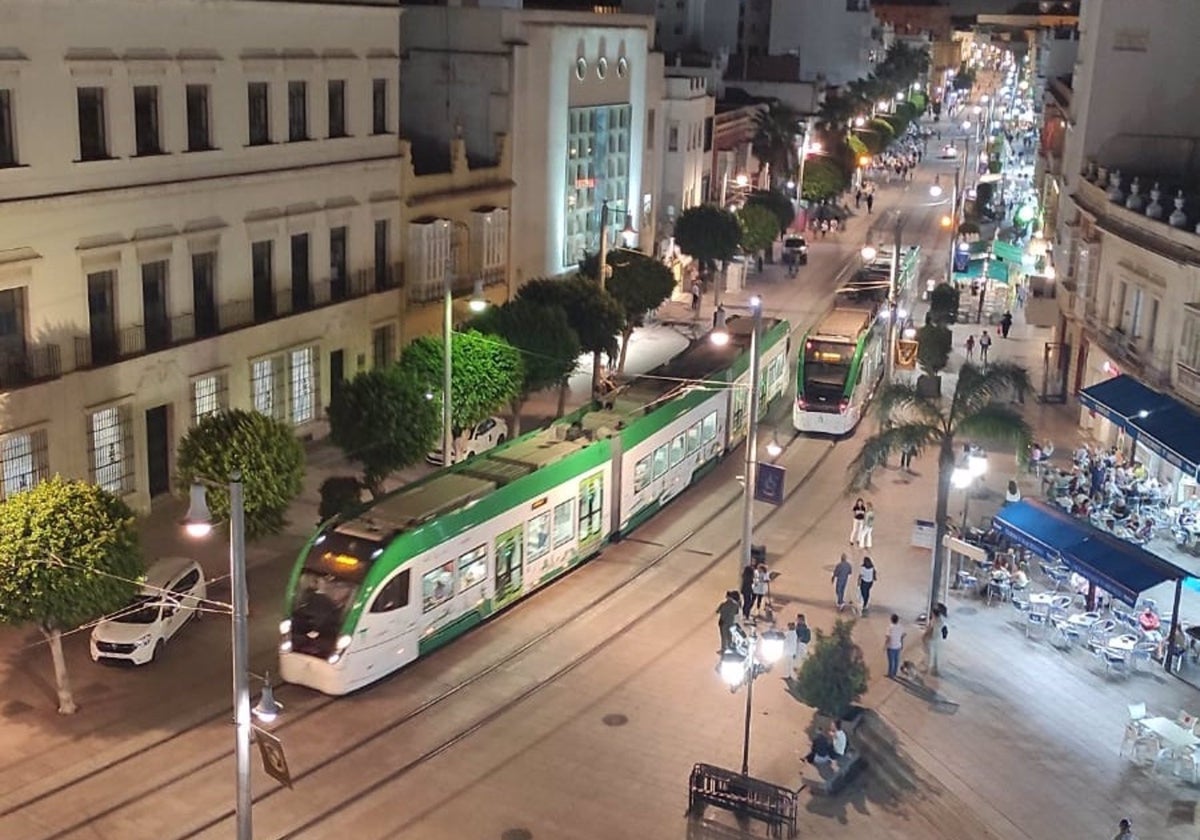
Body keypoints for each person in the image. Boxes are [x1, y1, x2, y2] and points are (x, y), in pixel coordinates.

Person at [923, 602, 948, 675]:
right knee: (936, 655)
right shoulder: (941, 621)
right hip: (938, 639)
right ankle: (935, 669)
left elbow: (930, 631)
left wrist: (925, 637)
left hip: (931, 640)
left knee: (929, 655)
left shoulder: (934, 621)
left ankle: (928, 668)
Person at [885, 614, 905, 678]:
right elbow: (903, 636)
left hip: (891, 646)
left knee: (891, 661)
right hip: (898, 646)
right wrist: (902, 644)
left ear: (891, 620)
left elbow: (888, 637)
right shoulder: (901, 627)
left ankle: (890, 674)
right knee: (896, 660)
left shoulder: (890, 627)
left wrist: (885, 646)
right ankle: (895, 673)